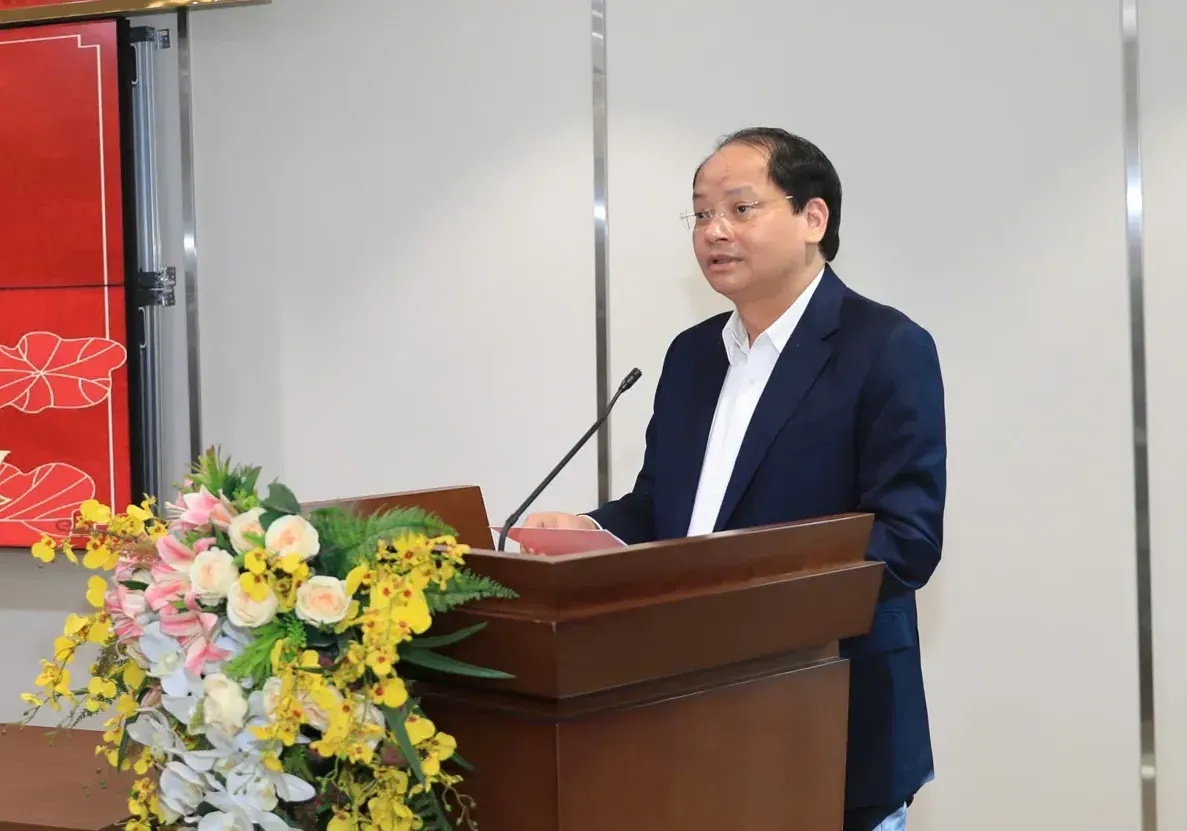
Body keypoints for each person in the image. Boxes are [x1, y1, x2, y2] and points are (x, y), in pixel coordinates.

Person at [523, 127, 945, 831]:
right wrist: (587, 530)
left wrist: (739, 588)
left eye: (740, 208)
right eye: (700, 214)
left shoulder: (885, 347)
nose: (713, 230)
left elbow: (905, 541)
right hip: (688, 723)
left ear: (813, 218)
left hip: (828, 725)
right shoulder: (692, 356)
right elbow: (664, 511)